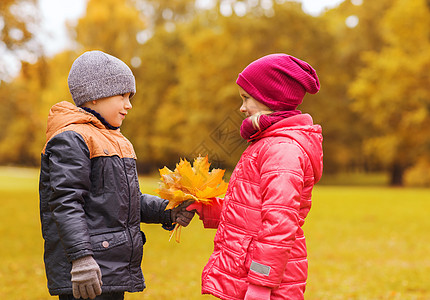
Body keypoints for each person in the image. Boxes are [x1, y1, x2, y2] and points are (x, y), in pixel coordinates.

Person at [39, 50, 194, 300]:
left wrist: (168, 210)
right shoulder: (73, 138)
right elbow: (66, 203)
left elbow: (125, 200)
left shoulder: (116, 141)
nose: (128, 104)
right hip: (87, 272)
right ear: (95, 96)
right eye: (122, 95)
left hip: (110, 267)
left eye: (129, 96)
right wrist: (81, 259)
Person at [187, 54, 323, 300]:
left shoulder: (282, 149)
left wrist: (261, 283)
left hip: (267, 281)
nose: (241, 107)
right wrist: (206, 208)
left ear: (270, 98)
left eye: (246, 98)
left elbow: (279, 222)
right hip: (248, 271)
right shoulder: (266, 143)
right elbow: (251, 210)